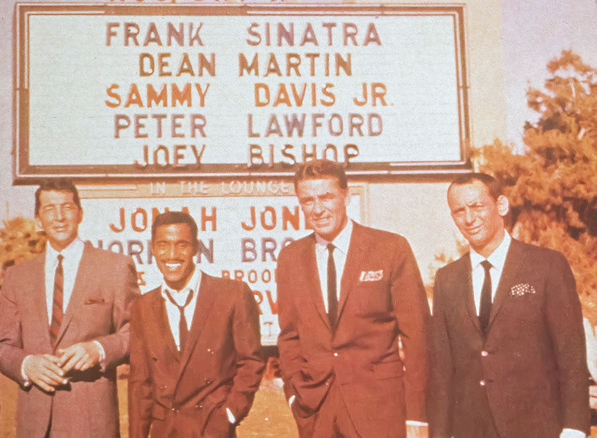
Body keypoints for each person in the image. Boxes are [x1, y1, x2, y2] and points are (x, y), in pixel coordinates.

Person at [276, 159, 429, 438]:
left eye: (326, 197)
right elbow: (289, 337)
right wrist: (294, 395)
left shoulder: (390, 248)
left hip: (379, 410)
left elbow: (417, 338)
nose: (318, 208)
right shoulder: (291, 258)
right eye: (307, 200)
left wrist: (417, 417)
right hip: (317, 413)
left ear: (345, 195)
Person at [428, 172, 589, 438]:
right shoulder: (447, 279)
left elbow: (570, 353)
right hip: (472, 430)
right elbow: (441, 371)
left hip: (538, 427)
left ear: (501, 205)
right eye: (459, 211)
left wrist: (574, 428)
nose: (469, 218)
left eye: (478, 206)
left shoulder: (546, 266)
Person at [0, 179, 140, 438]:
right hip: (35, 425)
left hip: (92, 423)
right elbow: (2, 347)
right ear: (38, 220)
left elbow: (137, 332)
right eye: (49, 209)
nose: (59, 217)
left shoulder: (115, 267)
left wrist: (98, 349)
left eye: (67, 207)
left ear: (80, 214)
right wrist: (27, 364)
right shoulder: (17, 276)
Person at [128, 211, 265, 438]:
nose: (172, 254)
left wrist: (230, 414)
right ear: (152, 248)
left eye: (182, 245)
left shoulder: (232, 294)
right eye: (163, 245)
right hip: (165, 431)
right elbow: (140, 384)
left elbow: (251, 361)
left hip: (213, 429)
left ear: (195, 248)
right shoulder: (142, 307)